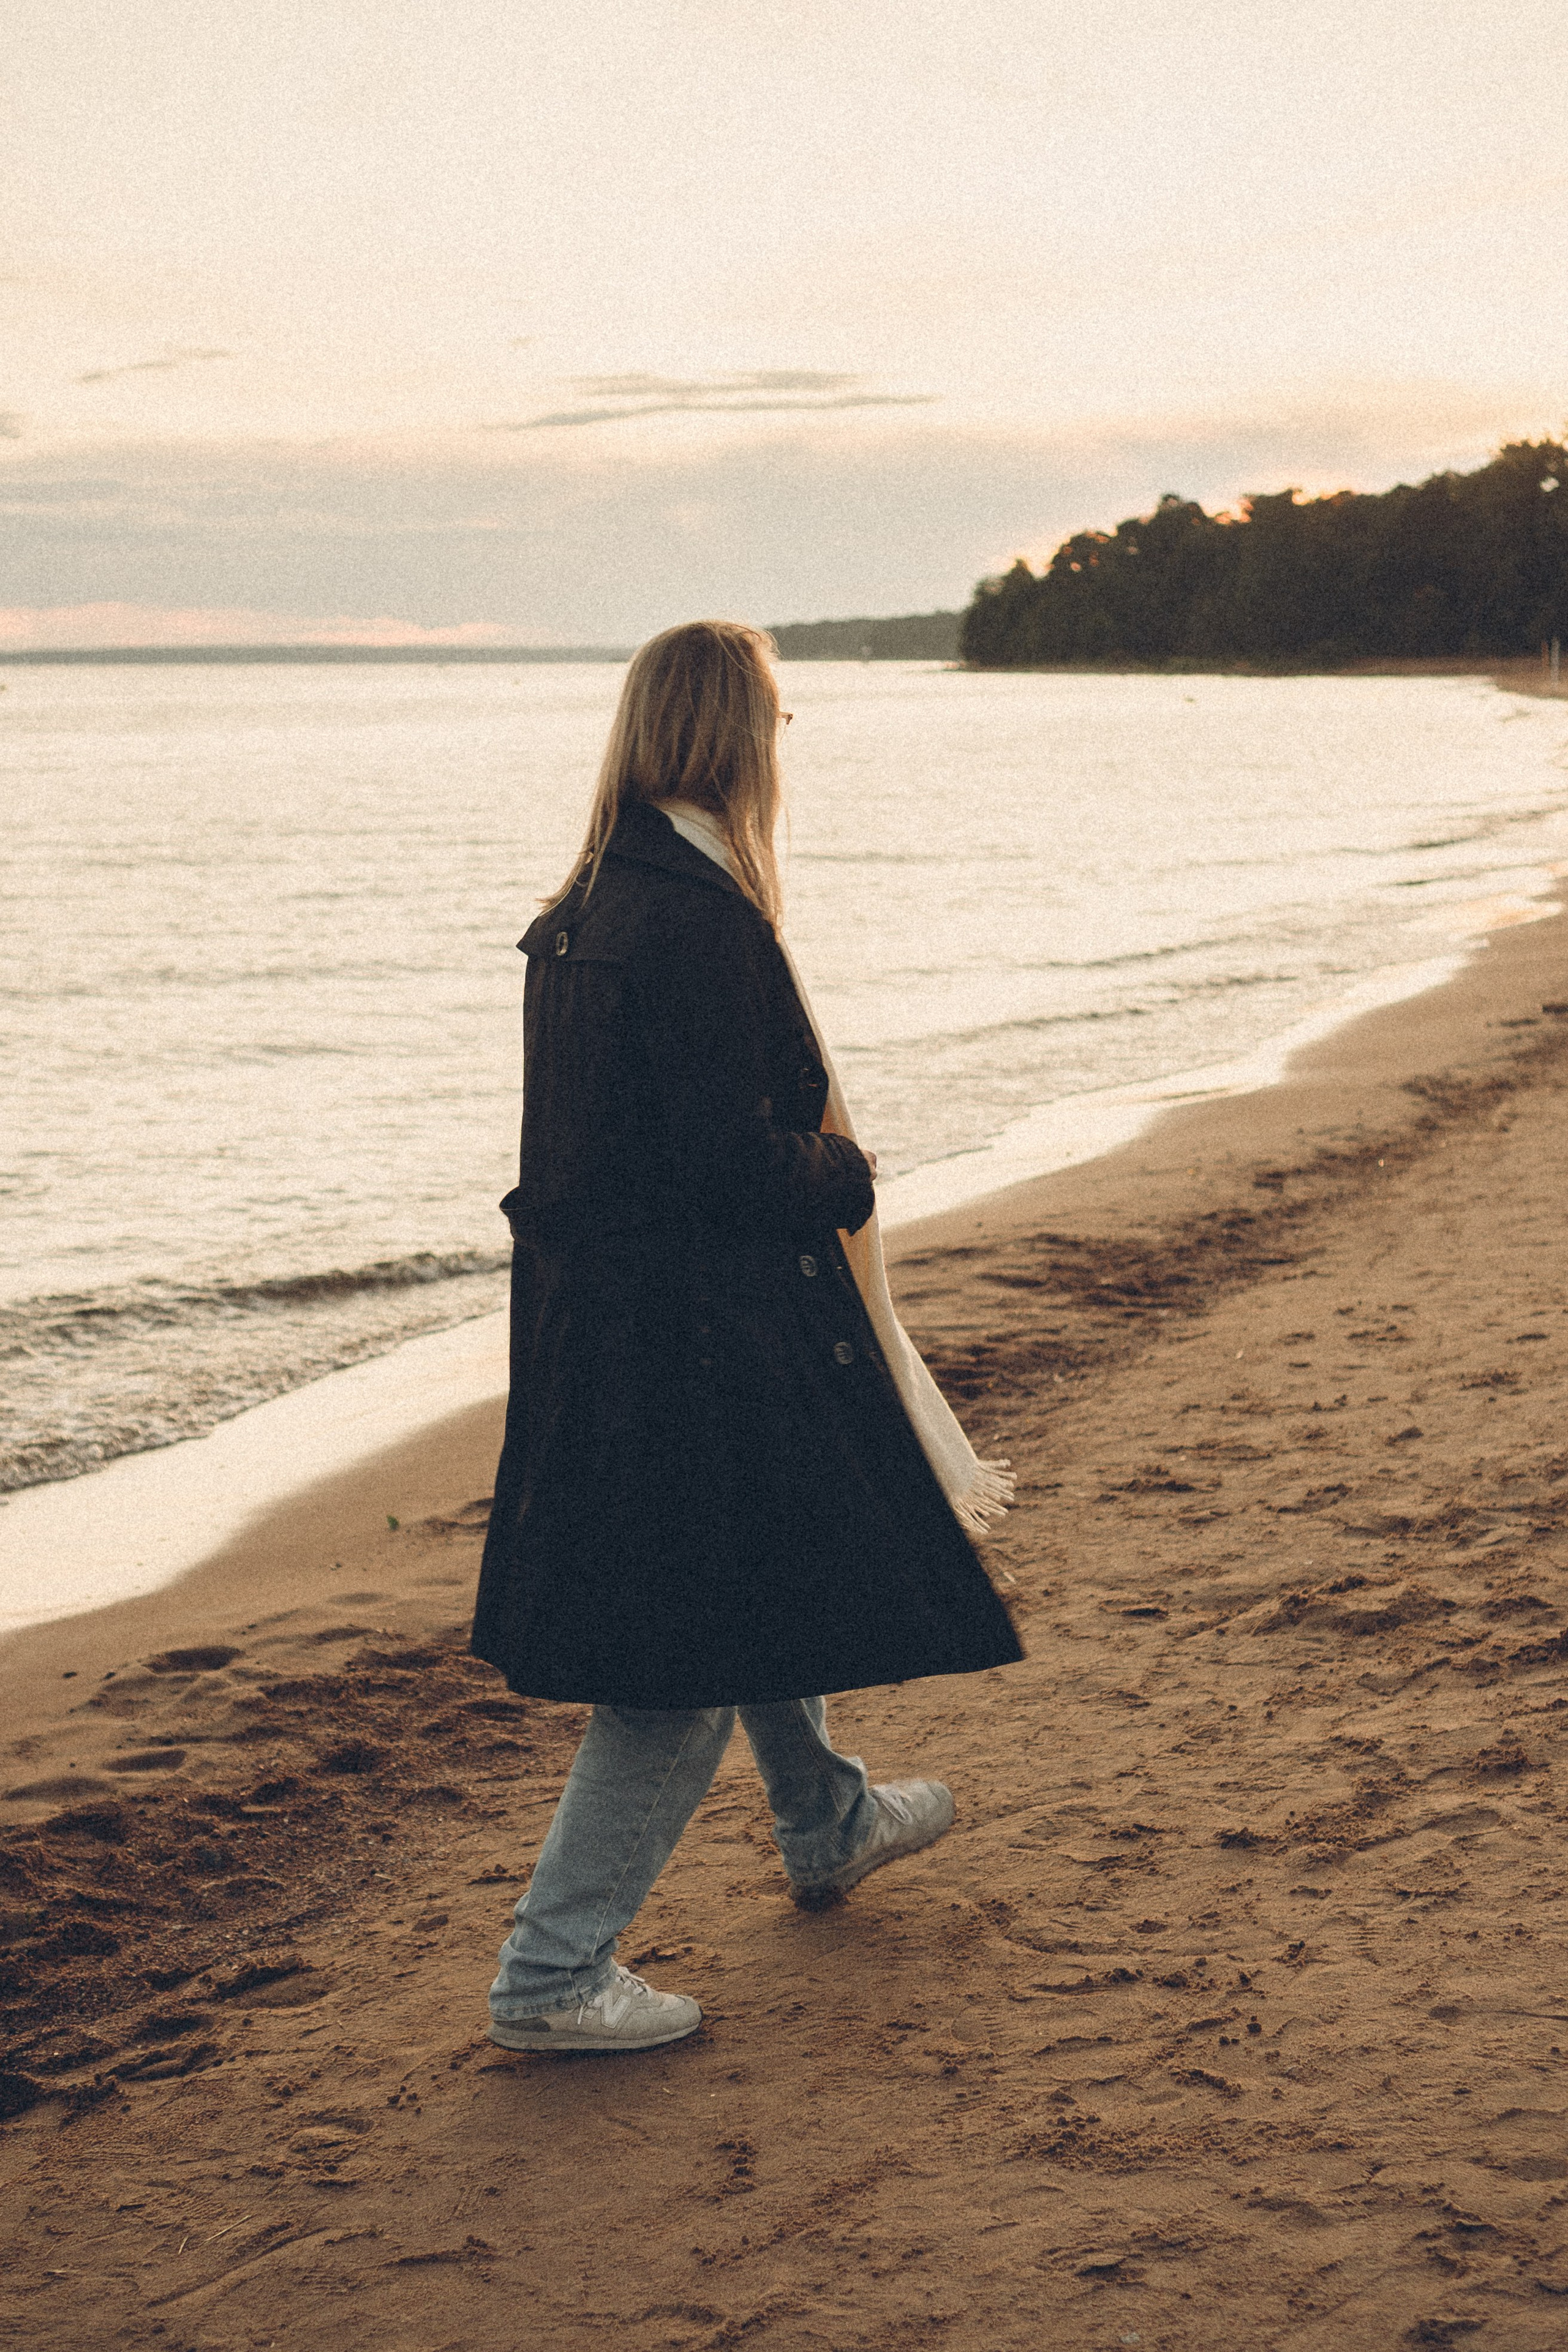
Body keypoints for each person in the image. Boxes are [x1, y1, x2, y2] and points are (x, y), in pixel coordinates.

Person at [471, 619, 1023, 2053]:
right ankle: (550, 1977)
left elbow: (605, 1154)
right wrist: (846, 1171)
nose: (784, 746)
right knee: (674, 1666)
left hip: (615, 1325)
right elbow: (728, 1166)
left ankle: (826, 1818)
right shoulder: (696, 921)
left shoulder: (586, 904)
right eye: (773, 719)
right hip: (686, 1334)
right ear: (732, 735)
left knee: (752, 1569)